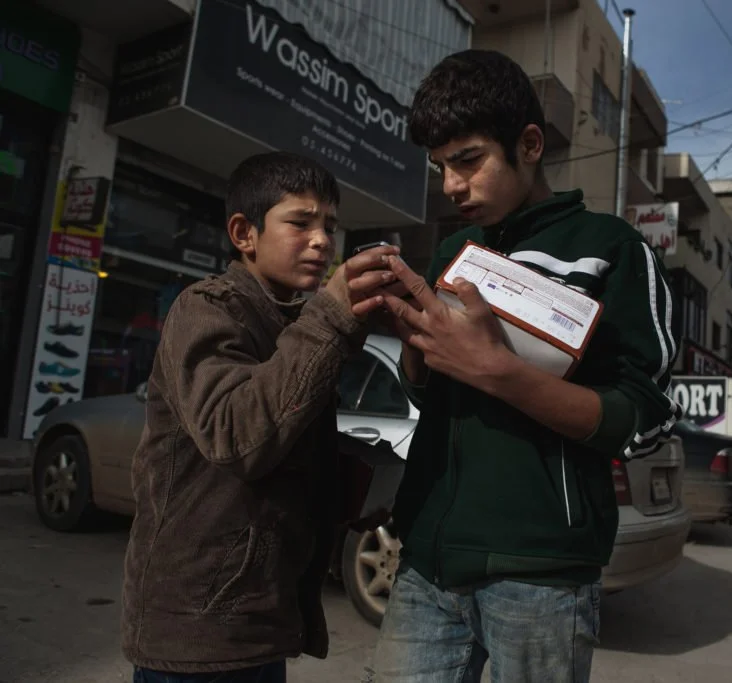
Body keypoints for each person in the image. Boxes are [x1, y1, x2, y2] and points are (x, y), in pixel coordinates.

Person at [367, 49, 682, 683]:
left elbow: (644, 416)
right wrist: (414, 343)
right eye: (439, 166)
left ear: (530, 144)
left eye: (468, 160)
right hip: (425, 560)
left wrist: (500, 371)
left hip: (540, 576)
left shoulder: (610, 249)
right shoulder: (454, 251)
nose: (452, 185)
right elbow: (429, 396)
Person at [121, 151, 399, 682]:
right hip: (198, 630)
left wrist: (354, 488)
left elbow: (280, 460)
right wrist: (333, 318)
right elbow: (237, 437)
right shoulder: (207, 308)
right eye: (300, 222)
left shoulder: (292, 320)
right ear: (244, 234)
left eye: (329, 227)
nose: (321, 240)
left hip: (259, 622)